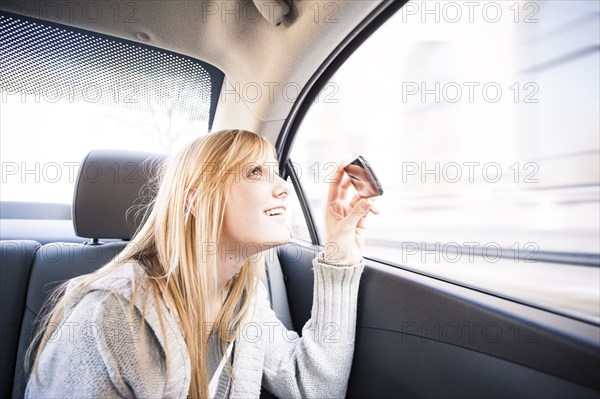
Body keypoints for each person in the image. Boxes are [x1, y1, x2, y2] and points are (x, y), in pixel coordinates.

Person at [25, 129, 378, 398]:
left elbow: (312, 387)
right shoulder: (110, 314)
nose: (283, 187)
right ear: (197, 199)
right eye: (256, 172)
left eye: (277, 172)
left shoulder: (244, 297)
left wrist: (339, 253)